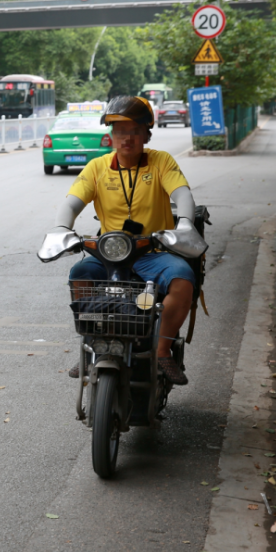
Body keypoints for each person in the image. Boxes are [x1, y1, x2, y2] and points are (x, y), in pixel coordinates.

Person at [51, 95, 202, 385]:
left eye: (134, 131)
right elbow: (71, 202)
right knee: (79, 275)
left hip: (153, 252)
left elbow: (182, 194)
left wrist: (184, 224)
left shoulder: (161, 161)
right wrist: (61, 227)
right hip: (110, 253)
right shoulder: (97, 168)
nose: (127, 138)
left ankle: (161, 351)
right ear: (111, 135)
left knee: (182, 278)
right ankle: (91, 344)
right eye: (120, 131)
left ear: (147, 133)